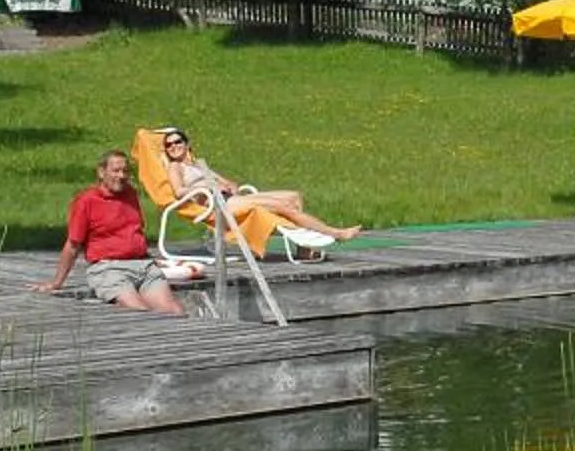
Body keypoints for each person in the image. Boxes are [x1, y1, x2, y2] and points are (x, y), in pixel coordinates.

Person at [39, 150, 187, 315]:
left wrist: (147, 256)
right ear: (102, 172)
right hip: (109, 268)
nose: (121, 176)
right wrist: (57, 282)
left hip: (143, 265)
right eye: (116, 171)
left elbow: (134, 232)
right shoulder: (87, 201)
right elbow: (73, 245)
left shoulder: (130, 194)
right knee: (138, 311)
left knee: (175, 312)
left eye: (125, 171)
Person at [154, 126, 360, 239]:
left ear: (187, 144)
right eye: (169, 145)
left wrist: (228, 184)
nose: (174, 146)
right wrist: (206, 186)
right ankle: (335, 233)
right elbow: (180, 192)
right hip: (219, 206)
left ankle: (304, 247)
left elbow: (230, 183)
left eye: (177, 142)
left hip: (232, 197)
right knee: (284, 207)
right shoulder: (175, 167)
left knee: (293, 196)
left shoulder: (199, 164)